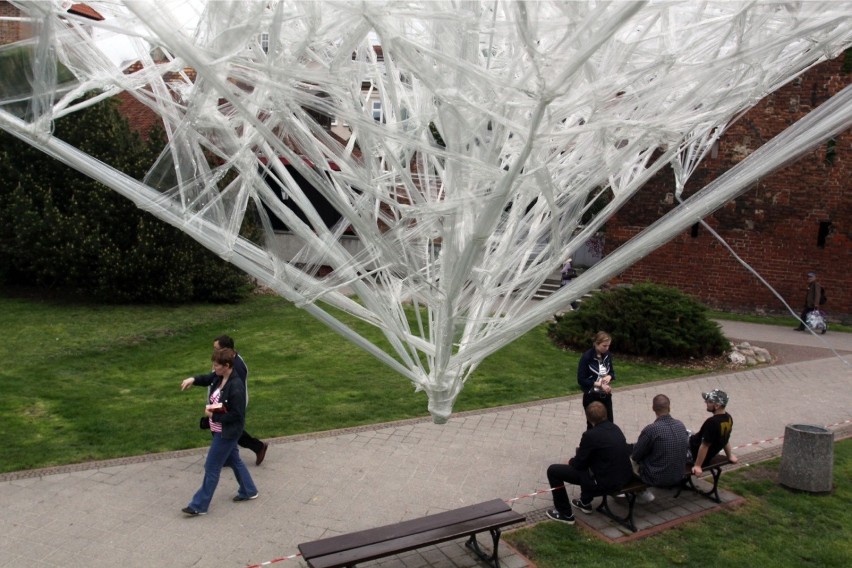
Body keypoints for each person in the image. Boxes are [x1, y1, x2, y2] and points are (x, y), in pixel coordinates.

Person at [182, 348, 258, 516]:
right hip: (219, 431)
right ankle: (249, 490)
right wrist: (192, 380)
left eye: (216, 365)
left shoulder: (236, 387)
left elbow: (237, 415)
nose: (213, 368)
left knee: (211, 466)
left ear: (227, 365)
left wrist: (213, 415)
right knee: (234, 460)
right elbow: (207, 378)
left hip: (227, 433)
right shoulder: (219, 377)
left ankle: (199, 505)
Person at [182, 335, 269, 465]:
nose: (214, 352)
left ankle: (254, 448)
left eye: (217, 349)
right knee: (222, 429)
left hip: (230, 405)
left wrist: (217, 410)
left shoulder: (236, 366)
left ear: (226, 350)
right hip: (220, 403)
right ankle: (234, 457)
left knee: (229, 430)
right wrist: (194, 380)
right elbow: (211, 378)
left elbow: (233, 391)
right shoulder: (225, 363)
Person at [545, 401, 633, 524]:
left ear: (588, 418)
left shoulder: (590, 435)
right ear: (606, 414)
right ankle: (584, 502)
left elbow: (579, 464)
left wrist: (572, 461)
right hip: (624, 477)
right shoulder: (615, 428)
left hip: (606, 482)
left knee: (553, 471)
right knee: (591, 465)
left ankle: (565, 513)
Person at [629, 394, 690, 503]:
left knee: (629, 460)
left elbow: (636, 455)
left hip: (656, 477)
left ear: (653, 409)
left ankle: (640, 492)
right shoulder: (680, 425)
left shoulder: (651, 430)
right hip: (679, 473)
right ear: (669, 407)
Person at [689, 389, 738, 477]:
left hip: (692, 452)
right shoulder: (728, 418)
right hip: (703, 451)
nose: (705, 402)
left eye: (708, 401)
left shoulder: (712, 422)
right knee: (689, 432)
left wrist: (697, 466)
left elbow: (704, 446)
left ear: (716, 405)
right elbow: (725, 439)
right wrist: (730, 456)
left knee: (677, 433)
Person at [577, 331, 615, 429]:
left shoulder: (607, 355)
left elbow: (611, 372)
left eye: (608, 346)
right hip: (591, 396)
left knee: (609, 424)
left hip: (605, 395)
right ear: (596, 344)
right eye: (604, 346)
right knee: (593, 425)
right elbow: (581, 379)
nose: (607, 348)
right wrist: (598, 384)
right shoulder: (587, 357)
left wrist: (609, 377)